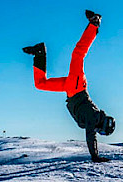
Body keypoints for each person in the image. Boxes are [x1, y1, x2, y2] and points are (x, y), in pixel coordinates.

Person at [23, 10, 115, 163]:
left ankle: (39, 53)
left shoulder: (93, 117)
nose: (99, 133)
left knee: (41, 84)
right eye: (102, 132)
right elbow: (90, 137)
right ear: (102, 126)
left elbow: (91, 133)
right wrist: (95, 156)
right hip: (77, 86)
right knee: (78, 54)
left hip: (70, 89)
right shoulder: (94, 117)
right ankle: (94, 23)